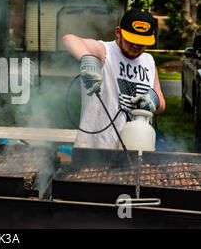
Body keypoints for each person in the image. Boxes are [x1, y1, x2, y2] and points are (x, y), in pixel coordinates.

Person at [63, 8, 166, 149]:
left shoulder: (149, 61)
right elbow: (70, 39)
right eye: (131, 40)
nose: (136, 46)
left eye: (141, 42)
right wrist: (88, 59)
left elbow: (161, 104)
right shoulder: (105, 51)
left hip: (135, 148)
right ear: (119, 32)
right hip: (96, 148)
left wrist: (153, 99)